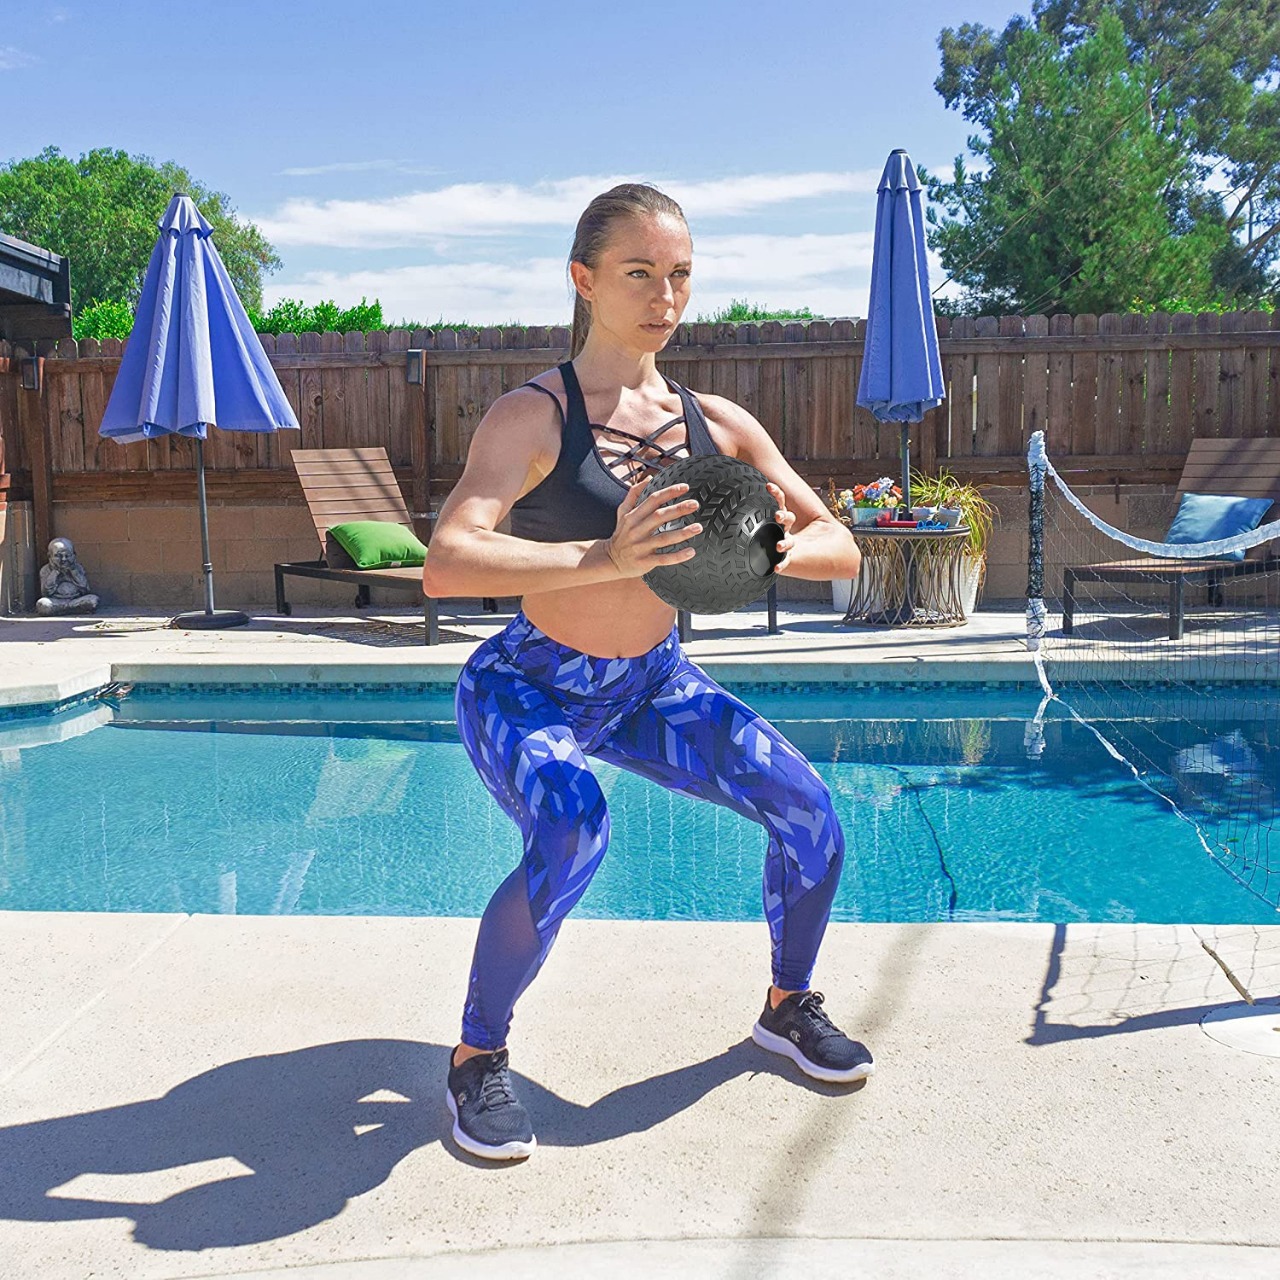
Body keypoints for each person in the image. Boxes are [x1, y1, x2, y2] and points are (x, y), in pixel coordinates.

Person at [422, 182, 871, 1161]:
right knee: (574, 824)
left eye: (678, 275)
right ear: (583, 280)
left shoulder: (715, 422)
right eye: (638, 272)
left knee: (809, 810)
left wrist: (736, 548)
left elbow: (837, 544)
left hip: (651, 685)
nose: (663, 293)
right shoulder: (532, 415)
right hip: (528, 682)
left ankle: (786, 1003)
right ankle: (474, 1056)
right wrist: (610, 559)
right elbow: (448, 558)